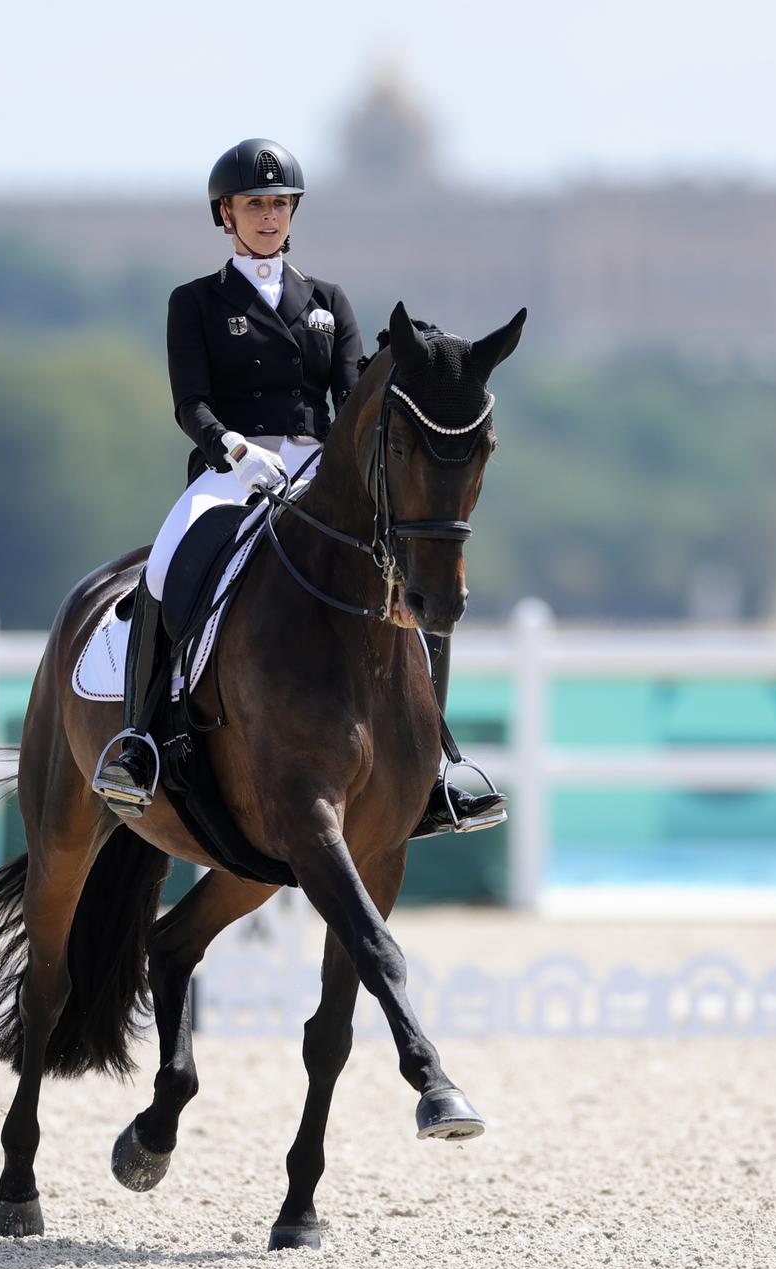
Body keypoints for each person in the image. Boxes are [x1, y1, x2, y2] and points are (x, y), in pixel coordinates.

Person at [93, 138, 505, 840]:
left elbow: (350, 398)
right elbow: (189, 402)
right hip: (233, 469)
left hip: (318, 469)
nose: (268, 216)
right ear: (226, 214)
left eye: (280, 204)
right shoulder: (195, 302)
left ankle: (432, 765)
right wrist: (233, 448)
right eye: (254, 204)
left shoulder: (327, 301)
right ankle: (142, 744)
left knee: (412, 582)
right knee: (166, 564)